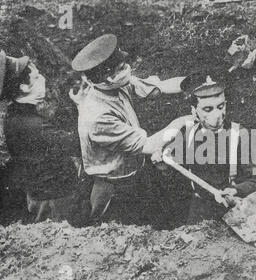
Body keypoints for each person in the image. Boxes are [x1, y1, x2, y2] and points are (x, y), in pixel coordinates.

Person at [69, 34, 193, 221]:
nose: (128, 69)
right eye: (122, 68)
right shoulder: (98, 117)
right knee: (128, 229)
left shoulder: (116, 84)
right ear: (108, 78)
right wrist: (184, 120)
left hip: (134, 171)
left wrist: (197, 82)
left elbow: (158, 87)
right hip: (114, 188)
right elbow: (149, 145)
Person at [153, 73, 256, 224]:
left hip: (236, 209)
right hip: (199, 212)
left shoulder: (241, 134)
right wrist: (163, 167)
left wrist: (236, 190)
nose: (217, 115)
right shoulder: (187, 135)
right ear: (194, 111)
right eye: (207, 109)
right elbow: (176, 179)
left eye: (221, 107)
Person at [1, 50, 81, 222]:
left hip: (37, 193)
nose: (43, 79)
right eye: (37, 77)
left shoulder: (14, 115)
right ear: (23, 88)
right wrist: (80, 107)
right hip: (54, 199)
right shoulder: (35, 126)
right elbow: (75, 145)